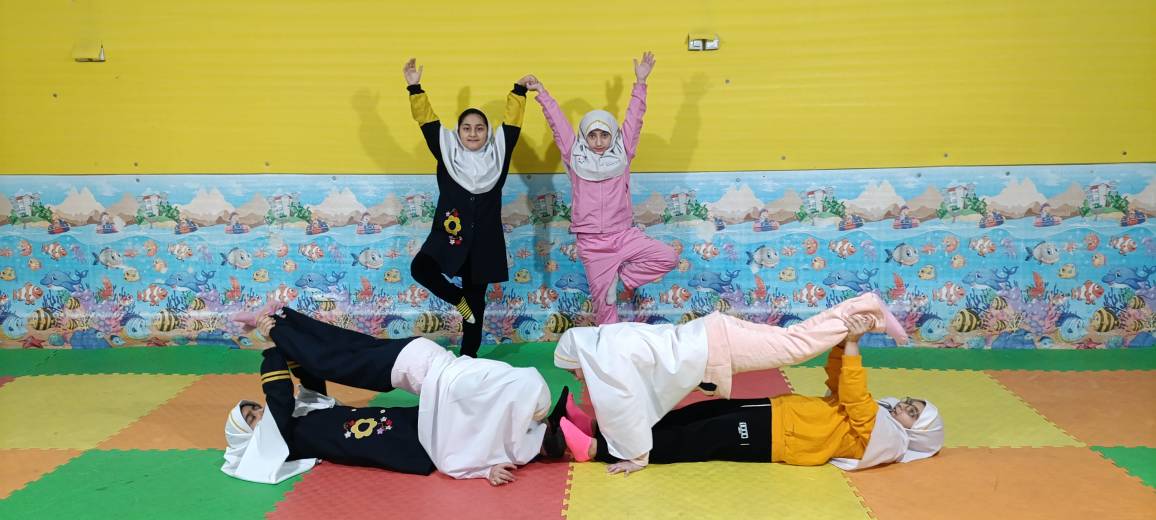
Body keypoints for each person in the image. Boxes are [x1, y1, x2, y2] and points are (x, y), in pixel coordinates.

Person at [552, 293, 909, 473]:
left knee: (794, 344)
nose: (906, 405)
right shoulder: (873, 419)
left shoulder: (881, 433)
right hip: (730, 361)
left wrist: (851, 341)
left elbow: (852, 392)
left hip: (727, 362)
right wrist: (845, 345)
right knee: (693, 416)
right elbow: (841, 381)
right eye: (912, 402)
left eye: (914, 412)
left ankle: (595, 445)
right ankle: (598, 433)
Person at [225, 307, 565, 486]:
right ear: (248, 439)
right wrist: (273, 345)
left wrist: (281, 336)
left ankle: (280, 317)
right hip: (397, 442)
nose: (261, 412)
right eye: (252, 418)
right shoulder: (279, 436)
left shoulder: (299, 415)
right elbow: (279, 396)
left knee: (337, 353)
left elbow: (311, 378)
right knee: (463, 426)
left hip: (402, 420)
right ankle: (540, 439)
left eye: (254, 408)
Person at [526, 52, 677, 324]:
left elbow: (634, 120)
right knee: (606, 311)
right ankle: (608, 349)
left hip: (623, 235)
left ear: (613, 136)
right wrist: (542, 94)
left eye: (604, 134)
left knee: (668, 257)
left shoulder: (623, 153)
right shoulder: (575, 156)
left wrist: (640, 83)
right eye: (592, 135)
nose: (598, 141)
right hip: (592, 244)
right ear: (584, 137)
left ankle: (621, 281)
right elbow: (558, 125)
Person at [404, 58, 529, 357]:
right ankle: (457, 298)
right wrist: (414, 88)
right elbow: (428, 123)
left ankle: (468, 359)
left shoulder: (498, 157)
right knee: (421, 268)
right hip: (450, 235)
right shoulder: (447, 154)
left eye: (480, 128)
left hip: (484, 240)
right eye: (467, 128)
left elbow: (511, 127)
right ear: (458, 132)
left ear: (488, 132)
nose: (473, 133)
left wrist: (519, 91)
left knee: (476, 304)